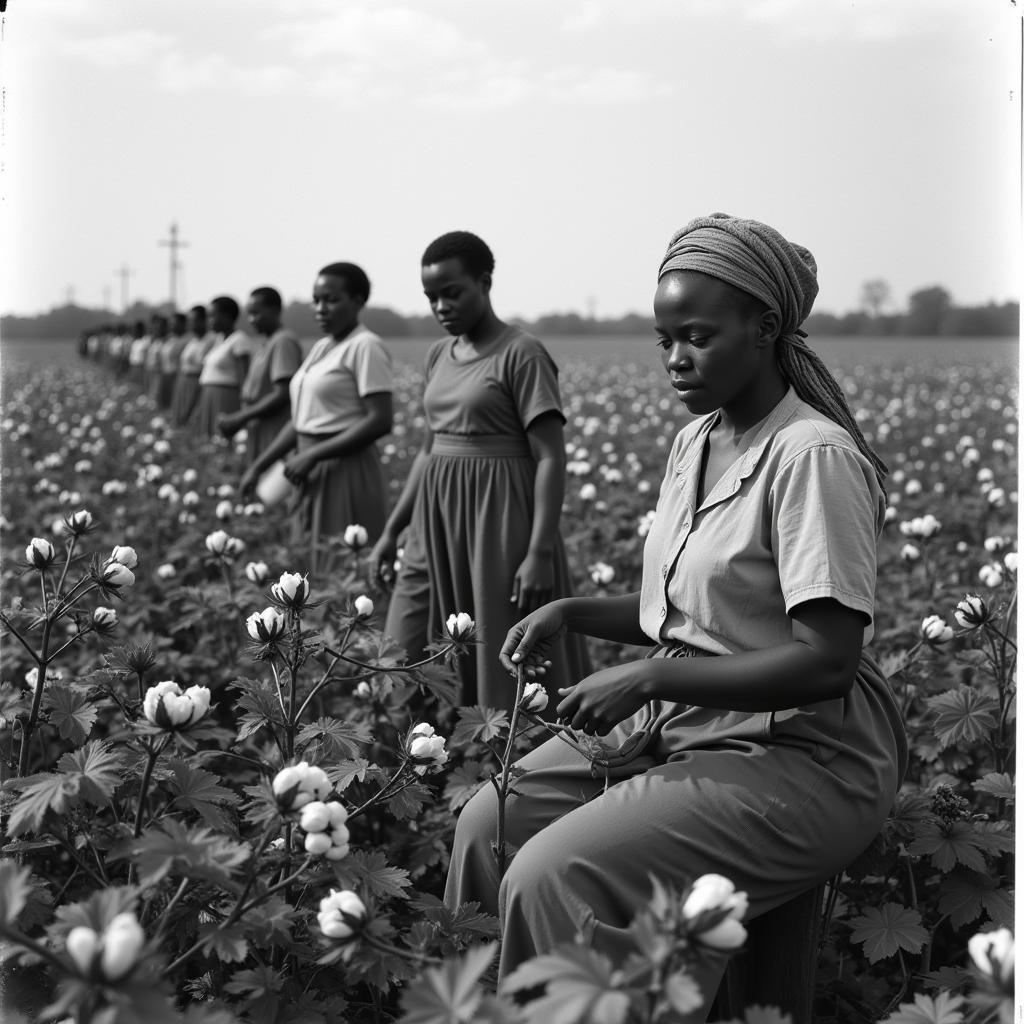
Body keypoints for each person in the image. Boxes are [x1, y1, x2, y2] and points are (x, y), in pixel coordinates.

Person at [444, 214, 908, 1020]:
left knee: (553, 872)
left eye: (696, 335)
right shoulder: (693, 441)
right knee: (485, 827)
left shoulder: (812, 456)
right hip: (685, 720)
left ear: (765, 329)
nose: (675, 360)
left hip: (799, 749)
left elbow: (828, 658)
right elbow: (690, 613)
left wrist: (655, 673)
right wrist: (572, 609)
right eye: (664, 339)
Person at [369, 230, 590, 714]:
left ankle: (506, 766)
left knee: (500, 652)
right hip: (435, 521)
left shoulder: (521, 352)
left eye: (453, 292)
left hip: (499, 520)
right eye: (431, 297)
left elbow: (550, 456)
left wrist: (539, 550)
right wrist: (392, 530)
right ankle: (421, 760)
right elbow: (428, 451)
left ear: (485, 282)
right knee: (400, 652)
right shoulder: (436, 355)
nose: (441, 306)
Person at [240, 263, 393, 574]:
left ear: (359, 300)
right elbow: (301, 421)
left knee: (342, 568)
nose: (321, 308)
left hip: (346, 468)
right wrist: (259, 466)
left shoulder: (365, 346)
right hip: (308, 466)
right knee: (308, 563)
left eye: (332, 299)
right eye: (316, 300)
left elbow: (380, 420)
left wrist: (313, 454)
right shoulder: (323, 347)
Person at [217, 286, 303, 466]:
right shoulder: (267, 342)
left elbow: (282, 393)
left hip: (275, 427)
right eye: (248, 314)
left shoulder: (283, 341)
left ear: (275, 311)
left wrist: (241, 417)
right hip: (260, 426)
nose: (251, 320)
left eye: (256, 313)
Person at [194, 296, 260, 438]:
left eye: (213, 316)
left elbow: (244, 379)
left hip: (225, 398)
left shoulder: (239, 340)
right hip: (209, 396)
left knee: (222, 440)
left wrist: (243, 410)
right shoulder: (218, 340)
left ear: (227, 316)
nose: (209, 321)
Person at [171, 305, 216, 429]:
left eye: (193, 321)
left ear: (203, 321)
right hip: (184, 382)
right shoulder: (192, 341)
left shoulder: (211, 340)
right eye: (189, 321)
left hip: (197, 383)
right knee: (180, 420)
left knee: (193, 417)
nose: (190, 324)